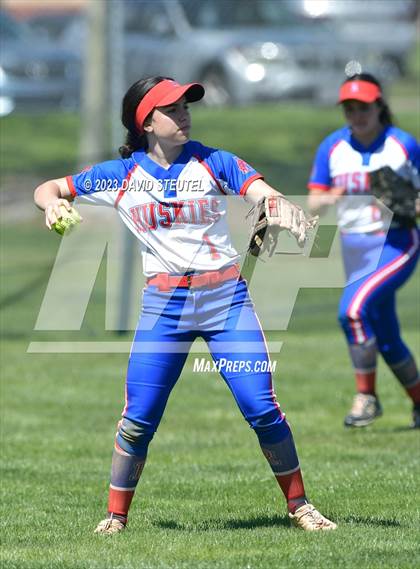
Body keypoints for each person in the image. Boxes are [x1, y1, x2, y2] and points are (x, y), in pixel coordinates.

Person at [34, 76, 336, 533]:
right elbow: (50, 188)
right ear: (147, 123)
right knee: (138, 419)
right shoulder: (121, 176)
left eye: (185, 106)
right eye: (171, 109)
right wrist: (51, 206)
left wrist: (278, 207)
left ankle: (300, 506)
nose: (184, 114)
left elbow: (260, 191)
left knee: (262, 407)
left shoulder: (214, 161)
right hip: (164, 306)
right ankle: (115, 517)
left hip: (225, 301)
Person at [307, 73, 420, 429]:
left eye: (364, 106)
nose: (357, 114)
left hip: (397, 243)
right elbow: (313, 203)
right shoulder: (333, 147)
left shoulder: (402, 145)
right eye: (350, 108)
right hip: (354, 248)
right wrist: (333, 196)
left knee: (352, 312)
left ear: (379, 106)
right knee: (386, 337)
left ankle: (366, 398)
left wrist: (408, 205)